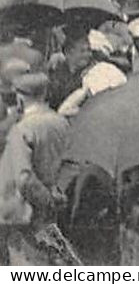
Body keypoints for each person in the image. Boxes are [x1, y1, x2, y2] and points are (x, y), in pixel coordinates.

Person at [0, 71, 70, 265]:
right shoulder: (62, 122)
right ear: (45, 93)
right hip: (58, 206)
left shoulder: (22, 129)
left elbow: (23, 178)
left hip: (30, 215)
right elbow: (71, 163)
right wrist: (57, 193)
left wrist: (46, 201)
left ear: (19, 97)